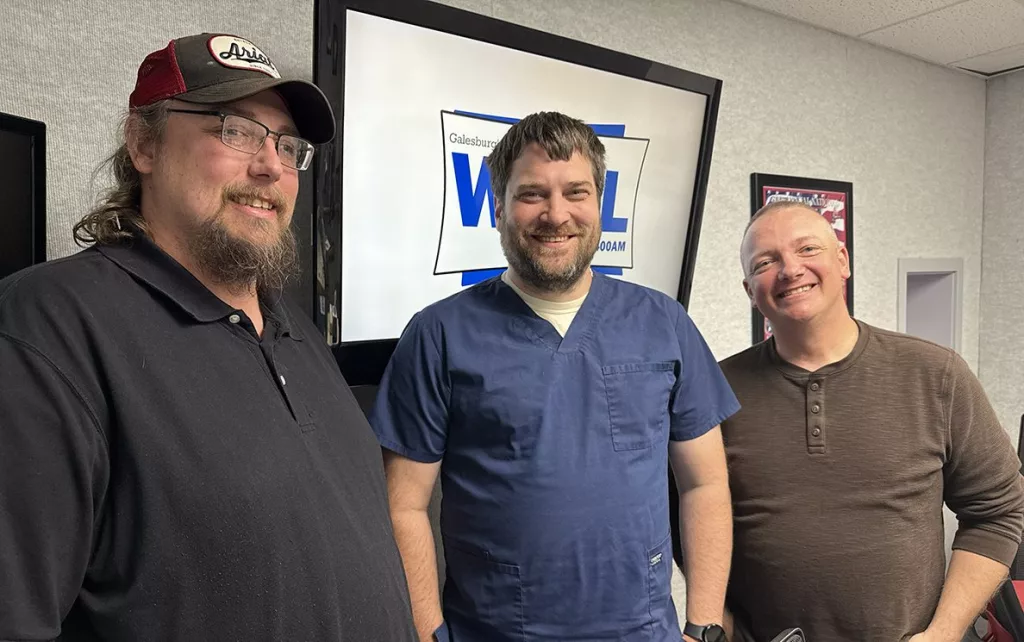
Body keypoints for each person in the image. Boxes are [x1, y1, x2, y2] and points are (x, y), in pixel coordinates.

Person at [0, 33, 417, 641]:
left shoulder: (291, 326)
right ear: (144, 142)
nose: (271, 165)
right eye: (236, 130)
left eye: (286, 145)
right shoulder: (51, 325)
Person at [370, 111, 739, 642]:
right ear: (497, 207)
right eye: (531, 194)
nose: (556, 213)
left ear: (600, 205)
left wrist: (704, 627)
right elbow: (403, 504)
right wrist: (429, 635)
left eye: (576, 192)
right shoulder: (438, 334)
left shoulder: (664, 323)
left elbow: (705, 482)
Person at [719, 200, 1024, 641]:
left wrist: (944, 631)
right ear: (749, 289)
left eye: (807, 249)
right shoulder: (715, 391)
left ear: (842, 261)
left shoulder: (935, 374)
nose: (790, 270)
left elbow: (998, 510)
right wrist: (721, 625)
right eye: (766, 261)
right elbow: (685, 522)